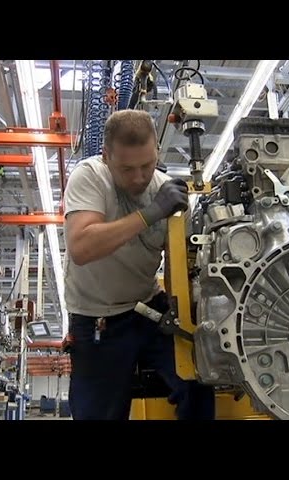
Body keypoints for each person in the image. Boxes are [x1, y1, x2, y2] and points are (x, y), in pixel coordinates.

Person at [63, 109, 215, 420]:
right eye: (127, 168)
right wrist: (151, 213)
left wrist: (186, 312)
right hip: (96, 319)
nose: (138, 177)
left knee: (199, 381)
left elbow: (180, 269)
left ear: (157, 152)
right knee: (97, 414)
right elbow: (81, 247)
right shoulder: (90, 177)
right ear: (106, 156)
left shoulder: (167, 193)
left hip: (148, 309)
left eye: (146, 165)